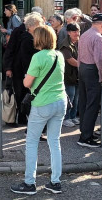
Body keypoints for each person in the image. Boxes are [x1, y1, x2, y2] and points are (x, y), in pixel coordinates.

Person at [10, 25, 67, 195]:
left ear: (38, 39)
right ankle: (55, 182)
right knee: (54, 142)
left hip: (42, 103)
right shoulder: (59, 55)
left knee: (32, 142)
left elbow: (27, 83)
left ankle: (29, 183)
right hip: (60, 101)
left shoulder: (38, 56)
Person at [76, 14, 102, 148]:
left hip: (83, 68)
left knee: (84, 102)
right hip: (92, 70)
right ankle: (86, 137)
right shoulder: (97, 37)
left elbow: (79, 54)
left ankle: (85, 131)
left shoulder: (84, 34)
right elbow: (100, 60)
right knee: (92, 104)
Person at [10, 13, 44, 125]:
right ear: (30, 26)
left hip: (25, 71)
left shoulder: (30, 38)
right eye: (37, 25)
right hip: (24, 72)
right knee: (24, 95)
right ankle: (23, 118)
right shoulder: (27, 39)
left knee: (24, 95)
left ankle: (23, 118)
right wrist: (27, 73)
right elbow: (25, 58)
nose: (39, 27)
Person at [59, 23, 80, 127]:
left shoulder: (78, 42)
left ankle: (73, 116)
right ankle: (65, 118)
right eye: (74, 31)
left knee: (76, 98)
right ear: (68, 32)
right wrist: (83, 65)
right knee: (69, 97)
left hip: (77, 76)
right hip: (68, 76)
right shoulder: (65, 45)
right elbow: (70, 60)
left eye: (78, 31)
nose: (77, 33)